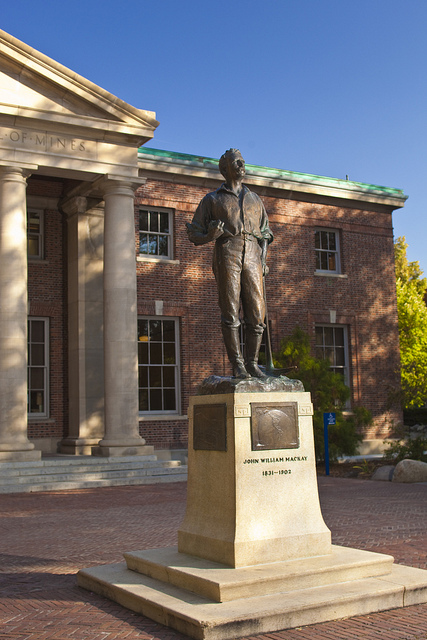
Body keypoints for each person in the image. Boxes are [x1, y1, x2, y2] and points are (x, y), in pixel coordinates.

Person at [186, 148, 273, 379]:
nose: (241, 165)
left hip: (253, 254)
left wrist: (263, 261)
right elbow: (194, 233)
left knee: (257, 315)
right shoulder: (212, 199)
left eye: (243, 162)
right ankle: (237, 364)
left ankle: (253, 363)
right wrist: (210, 236)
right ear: (225, 169)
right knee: (231, 312)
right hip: (228, 252)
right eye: (236, 162)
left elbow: (265, 234)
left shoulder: (255, 199)